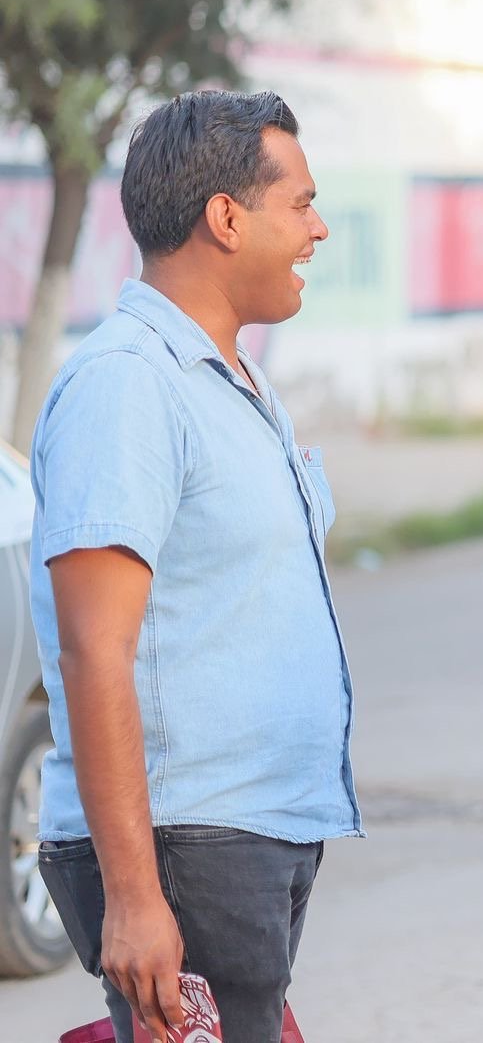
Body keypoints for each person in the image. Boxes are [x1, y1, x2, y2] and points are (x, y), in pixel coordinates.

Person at [30, 90, 355, 1043]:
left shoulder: (231, 381)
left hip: (243, 838)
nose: (317, 229)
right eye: (299, 204)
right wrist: (134, 898)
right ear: (226, 217)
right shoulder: (129, 386)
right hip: (184, 845)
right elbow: (96, 652)